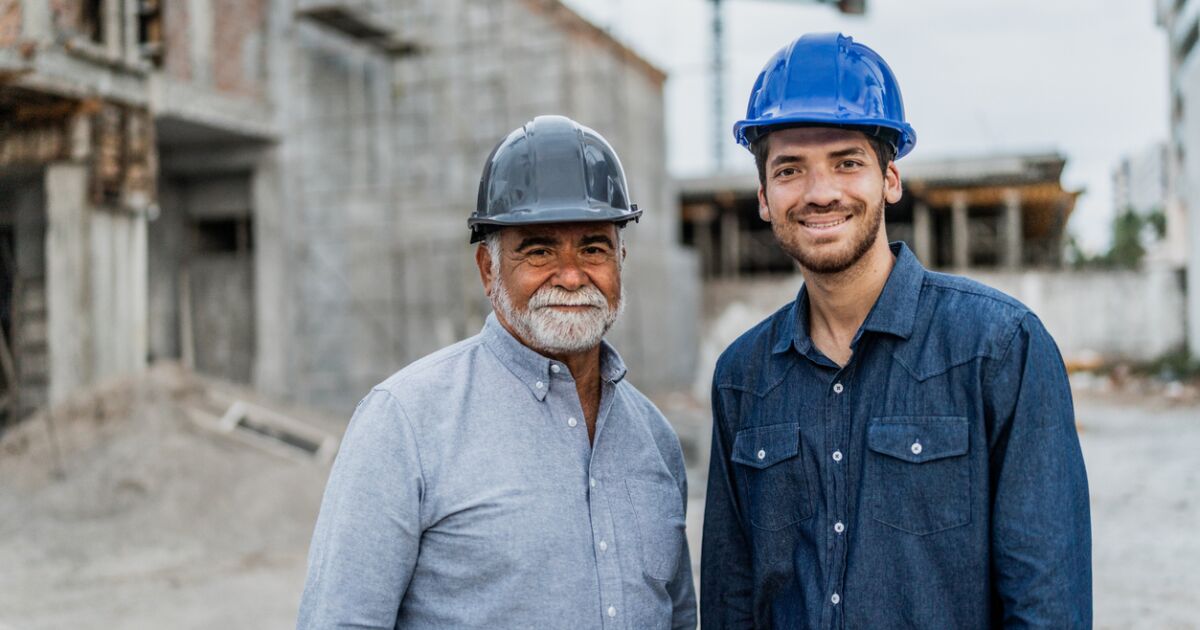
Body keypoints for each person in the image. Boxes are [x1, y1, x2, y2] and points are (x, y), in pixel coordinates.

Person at [700, 33, 1091, 628]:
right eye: (789, 169)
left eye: (847, 162)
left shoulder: (999, 348)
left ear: (890, 179)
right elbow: (731, 603)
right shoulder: (741, 378)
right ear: (763, 197)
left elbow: (1047, 604)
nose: (820, 191)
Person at [297, 115, 697, 629]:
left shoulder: (655, 439)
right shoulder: (405, 424)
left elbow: (679, 618)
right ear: (489, 270)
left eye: (594, 247)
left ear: (621, 259)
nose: (572, 275)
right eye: (539, 249)